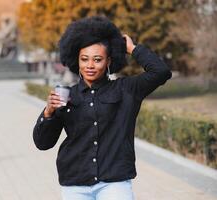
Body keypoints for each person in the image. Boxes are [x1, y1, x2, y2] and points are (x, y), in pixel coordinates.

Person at [33, 16, 172, 200]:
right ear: (77, 60)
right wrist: (48, 112)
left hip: (114, 183)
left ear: (108, 61)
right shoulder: (67, 95)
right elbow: (42, 144)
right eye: (84, 59)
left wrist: (132, 49)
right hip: (75, 183)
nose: (90, 65)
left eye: (97, 59)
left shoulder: (127, 90)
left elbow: (161, 72)